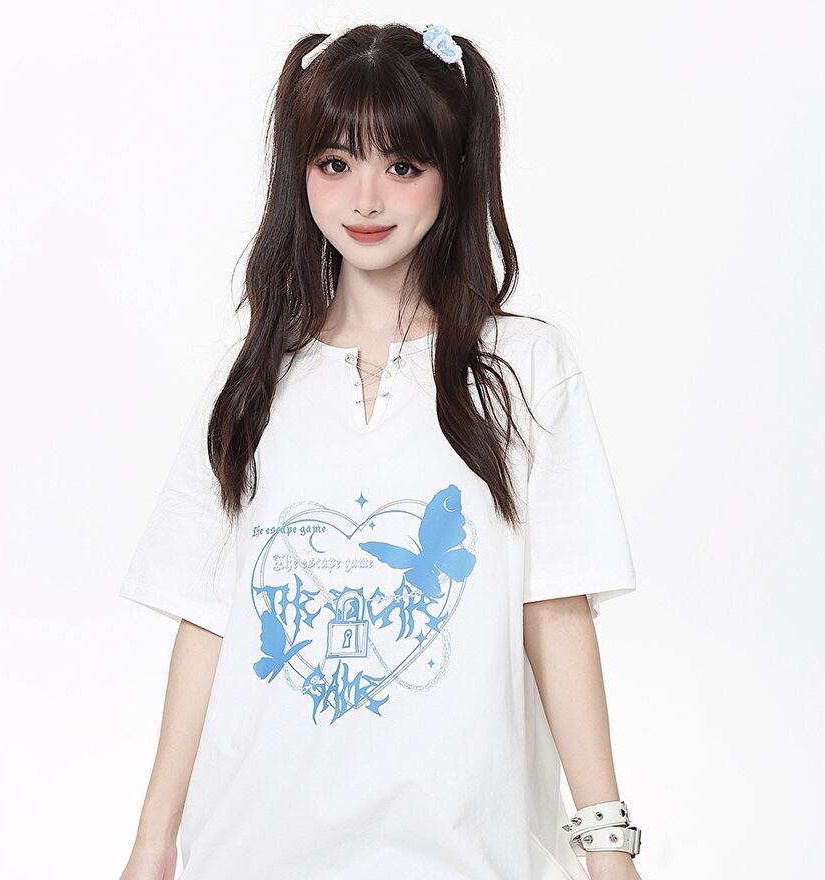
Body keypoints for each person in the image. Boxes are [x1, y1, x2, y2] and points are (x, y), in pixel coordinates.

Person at [117, 22, 642, 880]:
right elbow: (206, 621)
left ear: (455, 170)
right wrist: (151, 847)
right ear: (300, 174)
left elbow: (554, 610)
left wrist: (608, 848)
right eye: (335, 163)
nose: (365, 200)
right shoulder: (252, 380)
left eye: (401, 166)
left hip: (463, 850)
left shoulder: (523, 368)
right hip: (256, 847)